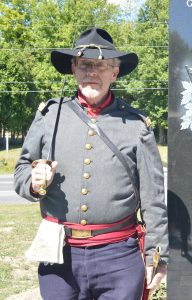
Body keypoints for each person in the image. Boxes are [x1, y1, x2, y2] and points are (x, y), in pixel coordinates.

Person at [14, 27, 168, 299]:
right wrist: (34, 182)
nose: (91, 72)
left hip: (119, 256)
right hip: (59, 255)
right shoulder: (49, 116)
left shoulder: (136, 125)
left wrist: (157, 257)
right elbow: (22, 170)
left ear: (115, 73)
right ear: (73, 69)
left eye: (101, 66)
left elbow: (153, 198)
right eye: (84, 64)